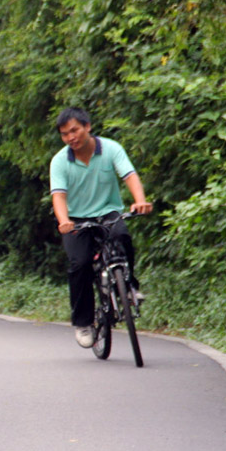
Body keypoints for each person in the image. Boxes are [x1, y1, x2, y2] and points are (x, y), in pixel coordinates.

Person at [49, 107, 153, 348]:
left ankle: (129, 288)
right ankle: (83, 322)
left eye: (74, 130)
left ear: (87, 126)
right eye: (65, 134)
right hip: (76, 219)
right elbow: (59, 196)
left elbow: (129, 175)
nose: (71, 137)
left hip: (108, 212)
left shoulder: (111, 149)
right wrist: (64, 220)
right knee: (80, 264)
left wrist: (139, 200)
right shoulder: (60, 161)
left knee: (122, 236)